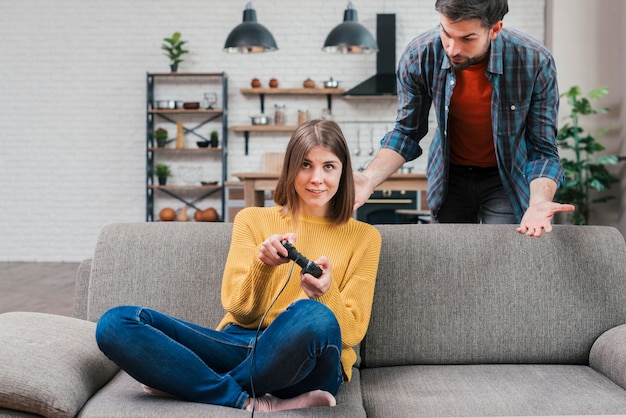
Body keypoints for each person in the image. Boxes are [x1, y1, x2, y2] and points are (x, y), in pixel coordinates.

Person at [95, 119, 382, 412]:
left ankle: (192, 384)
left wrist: (325, 293)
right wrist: (263, 267)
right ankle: (244, 400)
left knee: (313, 314)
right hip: (237, 345)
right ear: (290, 168)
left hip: (308, 364)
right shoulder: (251, 220)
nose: (316, 178)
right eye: (305, 165)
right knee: (115, 323)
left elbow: (352, 333)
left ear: (344, 171)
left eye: (329, 166)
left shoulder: (365, 237)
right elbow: (240, 309)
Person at [353, 0, 574, 237]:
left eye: (467, 39)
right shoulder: (419, 55)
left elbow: (542, 150)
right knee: (450, 260)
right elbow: (407, 133)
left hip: (504, 176)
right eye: (446, 33)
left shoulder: (534, 61)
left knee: (502, 255)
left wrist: (538, 201)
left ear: (495, 29)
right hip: (450, 176)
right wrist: (368, 179)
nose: (452, 49)